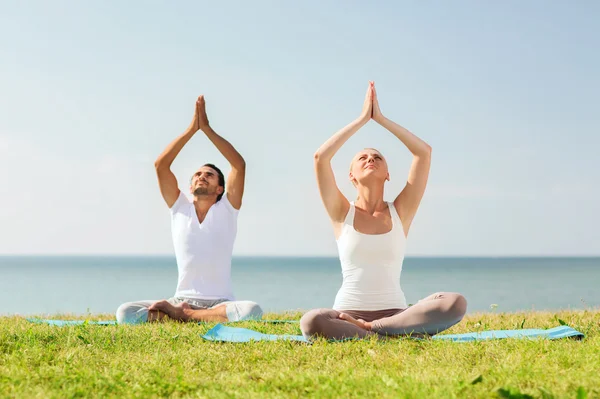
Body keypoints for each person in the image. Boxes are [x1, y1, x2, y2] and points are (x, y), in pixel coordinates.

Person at [300, 82, 466, 340]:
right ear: (351, 176)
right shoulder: (342, 213)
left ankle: (376, 331)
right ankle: (389, 335)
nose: (370, 159)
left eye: (377, 157)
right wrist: (362, 119)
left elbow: (423, 153)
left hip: (395, 315)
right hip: (347, 315)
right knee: (312, 322)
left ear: (388, 174)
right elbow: (321, 158)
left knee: (455, 302)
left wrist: (381, 119)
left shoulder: (401, 212)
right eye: (362, 158)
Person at [116, 95, 263, 324]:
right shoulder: (179, 207)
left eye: (209, 175)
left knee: (252, 311)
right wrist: (191, 130)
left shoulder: (228, 208)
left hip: (221, 302)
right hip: (181, 299)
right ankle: (186, 314)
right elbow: (161, 165)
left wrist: (207, 129)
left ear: (219, 188)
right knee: (125, 312)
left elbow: (238, 165)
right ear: (190, 186)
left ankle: (185, 316)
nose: (201, 176)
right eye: (197, 174)